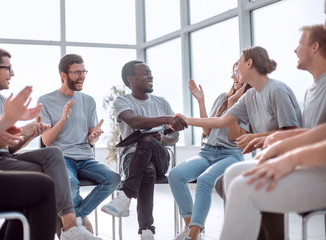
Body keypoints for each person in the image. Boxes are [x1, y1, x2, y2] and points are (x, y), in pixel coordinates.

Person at [0, 46, 101, 240]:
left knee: (53, 153)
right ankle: (69, 227)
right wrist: (18, 132)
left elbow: (9, 147)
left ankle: (70, 227)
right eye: (8, 68)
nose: (12, 73)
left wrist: (28, 134)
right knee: (44, 181)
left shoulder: (3, 101)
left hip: (4, 157)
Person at [175, 46, 302, 240]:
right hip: (263, 157)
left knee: (226, 183)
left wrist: (255, 137)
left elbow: (292, 133)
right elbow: (220, 121)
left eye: (238, 64)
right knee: (222, 184)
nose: (235, 72)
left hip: (287, 159)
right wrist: (187, 120)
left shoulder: (276, 90)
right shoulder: (250, 96)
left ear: (249, 63)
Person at [0, 19, 56, 240]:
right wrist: (6, 123)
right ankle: (70, 224)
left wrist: (14, 125)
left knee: (41, 175)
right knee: (43, 187)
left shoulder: (2, 100)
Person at [101, 60, 188, 240]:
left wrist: (164, 138)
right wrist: (166, 119)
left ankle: (126, 195)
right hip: (131, 160)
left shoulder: (161, 102)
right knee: (146, 169)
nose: (151, 76)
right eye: (146, 73)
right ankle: (146, 231)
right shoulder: (122, 102)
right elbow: (135, 122)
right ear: (131, 79)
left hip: (160, 159)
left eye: (150, 73)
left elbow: (174, 136)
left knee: (147, 139)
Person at [38, 53, 120, 234]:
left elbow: (90, 137)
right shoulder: (45, 101)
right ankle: (76, 226)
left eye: (84, 72)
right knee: (71, 184)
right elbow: (46, 140)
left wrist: (94, 137)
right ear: (63, 75)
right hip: (60, 158)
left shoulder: (88, 101)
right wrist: (63, 118)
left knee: (114, 178)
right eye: (76, 72)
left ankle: (75, 218)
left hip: (85, 158)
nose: (82, 76)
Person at [168, 62, 251, 240]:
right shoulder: (222, 97)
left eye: (236, 72)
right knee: (175, 175)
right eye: (232, 71)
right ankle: (191, 227)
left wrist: (232, 104)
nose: (232, 76)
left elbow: (234, 136)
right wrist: (201, 101)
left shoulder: (250, 104)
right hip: (207, 152)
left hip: (230, 155)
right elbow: (207, 130)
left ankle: (193, 234)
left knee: (205, 180)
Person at [219, 122, 326, 240]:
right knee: (233, 173)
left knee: (242, 188)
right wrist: (290, 136)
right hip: (313, 159)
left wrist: (292, 158)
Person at [261, 24, 326, 148]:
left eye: (300, 44)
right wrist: (268, 139)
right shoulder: (309, 91)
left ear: (314, 47)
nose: (295, 50)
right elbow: (310, 135)